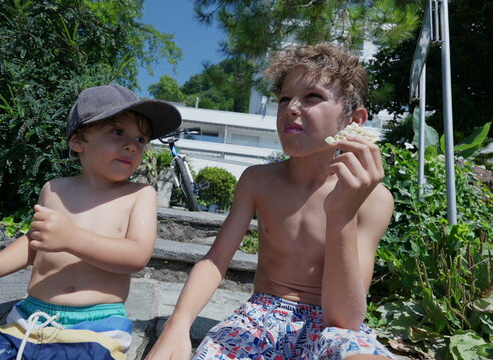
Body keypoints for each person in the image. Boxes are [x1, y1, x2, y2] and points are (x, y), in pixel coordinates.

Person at [146, 43, 397, 360]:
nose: (291, 107)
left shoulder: (373, 199)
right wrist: (177, 326)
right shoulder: (258, 180)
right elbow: (215, 260)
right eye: (284, 99)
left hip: (334, 327)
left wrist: (341, 215)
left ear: (354, 120)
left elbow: (345, 322)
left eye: (312, 97)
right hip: (262, 316)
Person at [0, 84, 181, 360]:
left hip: (95, 328)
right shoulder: (54, 189)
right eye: (117, 132)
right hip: (28, 321)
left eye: (141, 139)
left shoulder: (139, 195)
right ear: (77, 141)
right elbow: (34, 243)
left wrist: (72, 238)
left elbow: (136, 256)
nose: (131, 145)